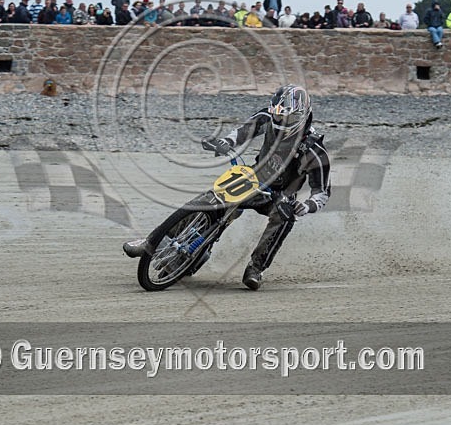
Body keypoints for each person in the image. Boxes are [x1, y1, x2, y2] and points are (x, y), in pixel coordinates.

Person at [123, 85, 331, 291]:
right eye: (278, 116)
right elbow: (245, 130)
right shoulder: (268, 117)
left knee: (285, 218)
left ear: (301, 116)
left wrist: (305, 207)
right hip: (255, 177)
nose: (280, 121)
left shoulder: (314, 151)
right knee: (215, 198)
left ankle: (255, 268)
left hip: (281, 196)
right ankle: (156, 240)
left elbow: (322, 193)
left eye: (287, 118)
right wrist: (226, 141)